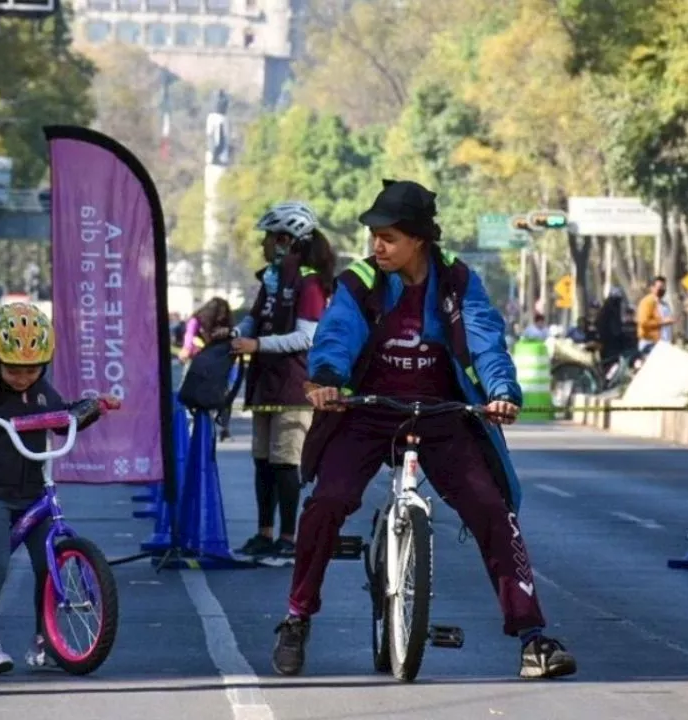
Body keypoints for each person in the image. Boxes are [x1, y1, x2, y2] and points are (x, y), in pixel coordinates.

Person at [271, 179, 577, 680]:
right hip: (367, 411)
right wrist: (326, 378)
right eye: (374, 235)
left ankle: (532, 638)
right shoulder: (359, 282)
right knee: (328, 502)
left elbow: (485, 342)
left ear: (419, 239)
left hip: (441, 414)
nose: (377, 245)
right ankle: (296, 618)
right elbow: (337, 333)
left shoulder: (458, 282)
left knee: (491, 508)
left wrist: (502, 392)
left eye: (388, 236)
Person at [0, 302, 120, 674]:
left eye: (32, 369)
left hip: (35, 493)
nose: (23, 377)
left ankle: (45, 640)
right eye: (14, 370)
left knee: (48, 563)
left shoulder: (42, 390)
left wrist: (95, 406)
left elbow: (63, 419)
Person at [228, 201, 337, 561]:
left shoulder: (309, 283)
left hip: (294, 386)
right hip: (265, 383)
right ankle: (265, 533)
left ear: (286, 240)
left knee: (285, 464)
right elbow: (254, 320)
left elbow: (308, 336)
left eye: (269, 238)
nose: (263, 245)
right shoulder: (271, 281)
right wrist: (234, 334)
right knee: (262, 462)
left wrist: (257, 344)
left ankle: (289, 538)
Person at [178, 297, 234, 364]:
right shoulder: (196, 321)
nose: (221, 316)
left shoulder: (225, 324)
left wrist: (227, 333)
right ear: (211, 312)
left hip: (219, 359)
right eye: (219, 313)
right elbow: (189, 334)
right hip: (198, 358)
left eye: (224, 313)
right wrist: (187, 348)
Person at [635, 276, 674, 354]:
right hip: (650, 344)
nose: (662, 289)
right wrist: (662, 322)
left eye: (664, 287)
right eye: (659, 287)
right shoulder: (646, 302)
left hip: (665, 345)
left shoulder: (665, 305)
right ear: (652, 288)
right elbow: (643, 322)